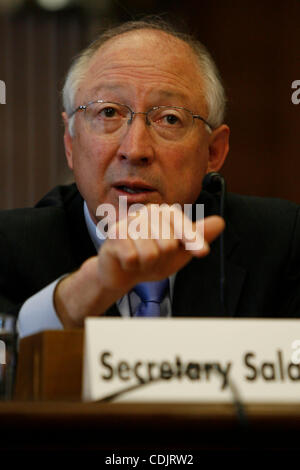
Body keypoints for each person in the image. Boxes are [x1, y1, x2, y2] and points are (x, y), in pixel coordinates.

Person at [0, 19, 300, 339]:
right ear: (71, 144)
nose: (135, 149)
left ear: (213, 152)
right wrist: (93, 285)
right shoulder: (8, 248)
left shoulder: (281, 243)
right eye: (109, 113)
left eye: (169, 118)